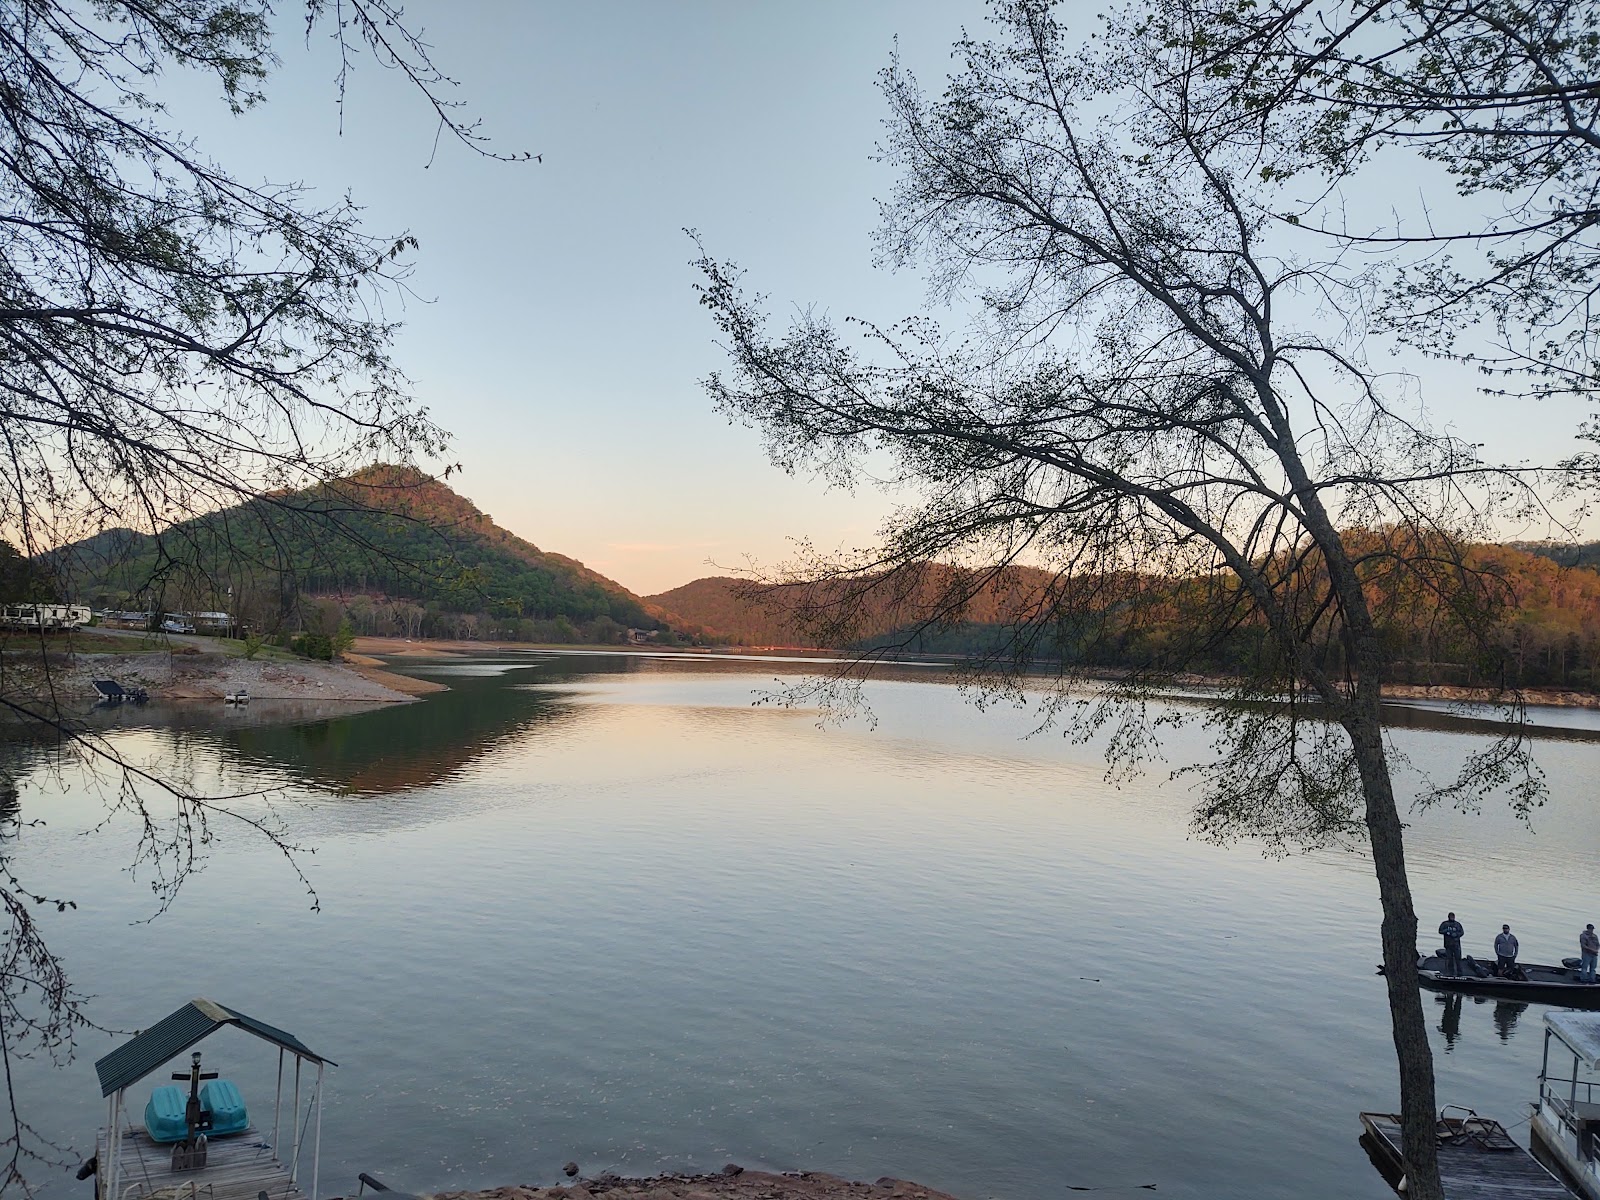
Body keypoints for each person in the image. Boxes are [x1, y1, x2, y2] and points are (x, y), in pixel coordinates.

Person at [1439, 912, 1465, 977]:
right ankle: (1450, 972)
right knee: (1449, 959)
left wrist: (1456, 934)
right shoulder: (1444, 924)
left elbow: (1462, 932)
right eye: (1451, 916)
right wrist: (1447, 931)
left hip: (1456, 945)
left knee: (1458, 959)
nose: (1452, 918)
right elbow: (1440, 931)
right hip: (1448, 945)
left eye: (1453, 916)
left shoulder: (1457, 924)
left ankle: (1460, 973)